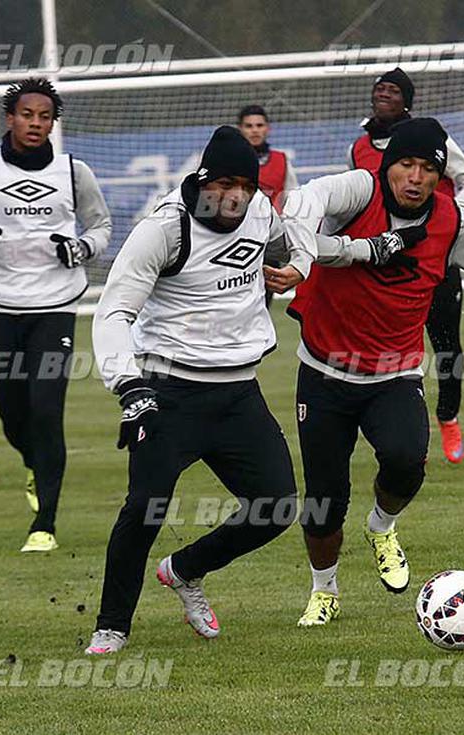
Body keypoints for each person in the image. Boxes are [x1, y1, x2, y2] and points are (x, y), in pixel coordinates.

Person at [278, 117, 464, 627]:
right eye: (407, 165)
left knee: (407, 460)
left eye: (427, 170)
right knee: (325, 500)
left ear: (441, 178)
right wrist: (306, 257)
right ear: (390, 165)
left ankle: (381, 526)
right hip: (323, 372)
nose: (415, 178)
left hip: (394, 374)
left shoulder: (449, 221)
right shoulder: (360, 190)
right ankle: (324, 590)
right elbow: (306, 200)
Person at [83, 126, 315, 654]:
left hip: (238, 394)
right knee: (144, 510)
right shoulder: (164, 230)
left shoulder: (259, 211)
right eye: (224, 184)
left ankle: (185, 570)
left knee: (276, 506)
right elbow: (114, 312)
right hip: (169, 394)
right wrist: (128, 385)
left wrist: (296, 266)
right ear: (202, 180)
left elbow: (290, 237)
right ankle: (111, 626)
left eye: (246, 186)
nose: (233, 196)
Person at [0, 77, 111, 553]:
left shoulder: (74, 171)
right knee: (13, 416)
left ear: (54, 122)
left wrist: (80, 248)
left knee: (46, 409)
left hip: (56, 306)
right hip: (2, 306)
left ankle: (45, 525)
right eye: (27, 115)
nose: (36, 124)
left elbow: (101, 227)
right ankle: (34, 464)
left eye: (45, 116)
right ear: (9, 118)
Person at [349, 67, 464, 464]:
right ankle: (400, 433)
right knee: (386, 345)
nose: (384, 95)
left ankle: (448, 418)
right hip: (386, 263)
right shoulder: (359, 147)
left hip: (436, 261)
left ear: (407, 100)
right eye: (380, 89)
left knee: (445, 345)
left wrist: (443, 225)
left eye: (393, 90)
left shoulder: (431, 138)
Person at [237, 104, 298, 213]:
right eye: (249, 126)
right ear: (240, 129)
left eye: (259, 125)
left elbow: (293, 196)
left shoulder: (281, 160)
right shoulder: (230, 160)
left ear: (268, 128)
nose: (255, 130)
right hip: (239, 225)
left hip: (273, 225)